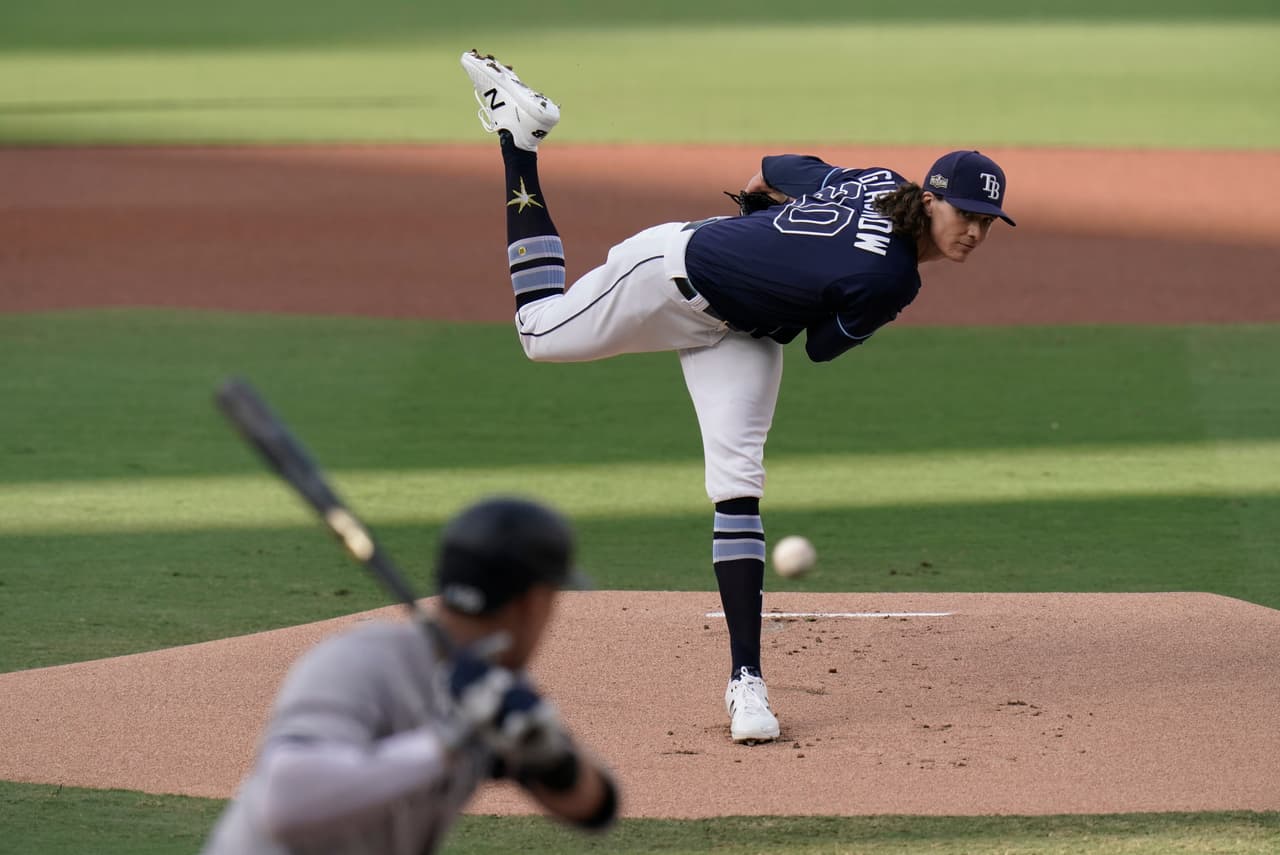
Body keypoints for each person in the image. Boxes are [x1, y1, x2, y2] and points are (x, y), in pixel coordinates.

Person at [459, 50, 1016, 744]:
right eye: (966, 212)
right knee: (539, 330)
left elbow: (773, 169)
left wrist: (760, 218)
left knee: (738, 484)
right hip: (665, 276)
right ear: (930, 198)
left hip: (739, 330)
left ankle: (746, 683)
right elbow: (821, 345)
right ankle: (520, 139)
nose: (975, 229)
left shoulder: (876, 181)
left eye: (988, 221)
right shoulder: (894, 281)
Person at [201, 496, 619, 854]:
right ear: (534, 603)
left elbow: (595, 808)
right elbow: (286, 802)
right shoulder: (361, 662)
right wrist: (449, 739)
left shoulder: (490, 690)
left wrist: (551, 758)